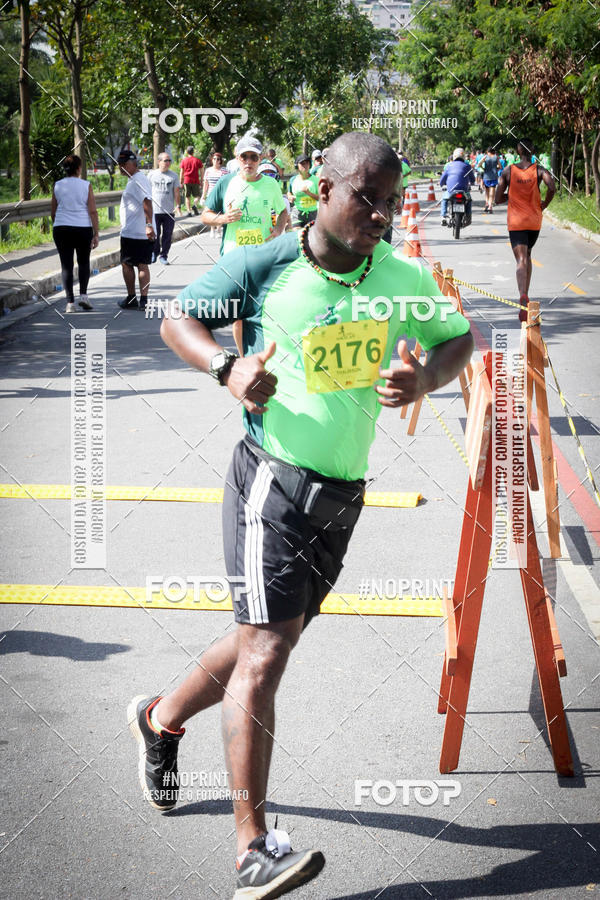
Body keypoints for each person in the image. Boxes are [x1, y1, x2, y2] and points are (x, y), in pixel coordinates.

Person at [127, 131, 473, 900]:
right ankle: (254, 849)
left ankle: (160, 717)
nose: (381, 215)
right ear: (326, 189)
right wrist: (226, 365)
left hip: (342, 497)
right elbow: (179, 319)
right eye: (366, 199)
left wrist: (424, 382)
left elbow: (460, 341)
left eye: (390, 201)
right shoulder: (268, 264)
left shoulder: (400, 276)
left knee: (264, 636)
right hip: (271, 483)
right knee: (266, 651)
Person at [495, 138, 556, 321]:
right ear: (533, 150)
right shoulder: (539, 170)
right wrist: (544, 203)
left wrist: (510, 196)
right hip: (534, 221)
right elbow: (552, 186)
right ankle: (526, 294)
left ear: (518, 151)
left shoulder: (508, 171)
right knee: (528, 254)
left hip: (517, 222)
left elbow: (498, 197)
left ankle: (522, 294)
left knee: (521, 259)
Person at [200, 135, 287, 256]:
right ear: (237, 158)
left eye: (253, 157)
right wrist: (223, 219)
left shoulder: (271, 184)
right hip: (233, 255)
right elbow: (205, 216)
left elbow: (283, 211)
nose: (248, 162)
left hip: (263, 255)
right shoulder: (225, 182)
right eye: (244, 157)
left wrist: (278, 229)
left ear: (260, 159)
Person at [50, 154, 99, 313]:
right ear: (79, 168)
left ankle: (70, 303)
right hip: (82, 228)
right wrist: (96, 233)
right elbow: (92, 211)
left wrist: (59, 225)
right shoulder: (86, 185)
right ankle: (84, 297)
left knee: (66, 266)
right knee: (83, 262)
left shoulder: (57, 185)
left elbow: (53, 212)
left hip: (61, 228)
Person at [116, 150, 156, 311]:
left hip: (135, 231)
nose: (119, 169)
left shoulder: (138, 180)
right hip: (134, 230)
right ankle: (139, 299)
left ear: (129, 164)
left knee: (130, 264)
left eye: (121, 166)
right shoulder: (136, 179)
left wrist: (149, 225)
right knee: (139, 264)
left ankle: (137, 298)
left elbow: (147, 202)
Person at [147, 152, 180, 265]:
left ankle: (164, 255)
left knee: (167, 235)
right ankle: (154, 253)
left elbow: (176, 192)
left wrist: (178, 205)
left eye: (169, 160)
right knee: (154, 234)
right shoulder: (151, 175)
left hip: (169, 211)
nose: (168, 163)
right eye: (165, 160)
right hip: (154, 210)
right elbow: (146, 191)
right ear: (159, 161)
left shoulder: (174, 176)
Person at [439, 147, 475, 226]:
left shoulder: (449, 166)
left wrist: (441, 184)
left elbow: (442, 179)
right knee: (469, 200)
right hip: (464, 190)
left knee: (444, 199)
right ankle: (468, 216)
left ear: (454, 156)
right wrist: (472, 183)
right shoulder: (467, 166)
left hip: (451, 190)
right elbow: (472, 179)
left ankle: (443, 216)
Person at [287, 154, 319, 228]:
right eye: (302, 163)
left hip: (312, 213)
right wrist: (290, 196)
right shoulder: (293, 180)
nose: (305, 166)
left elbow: (321, 198)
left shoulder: (316, 180)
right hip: (297, 212)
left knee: (310, 238)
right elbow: (289, 192)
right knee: (297, 235)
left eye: (307, 163)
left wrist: (309, 193)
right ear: (296, 166)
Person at [179, 145, 203, 216]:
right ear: (193, 152)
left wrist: (181, 181)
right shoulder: (197, 160)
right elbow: (202, 171)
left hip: (186, 180)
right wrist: (202, 180)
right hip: (195, 180)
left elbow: (181, 172)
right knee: (198, 195)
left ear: (187, 152)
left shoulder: (184, 160)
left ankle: (189, 212)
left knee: (187, 196)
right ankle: (195, 204)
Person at [482, 147, 500, 213]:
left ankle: (487, 203)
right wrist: (496, 169)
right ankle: (490, 206)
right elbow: (500, 167)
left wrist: (483, 168)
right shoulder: (496, 157)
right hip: (494, 176)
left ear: (487, 151)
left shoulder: (485, 157)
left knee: (487, 191)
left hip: (486, 176)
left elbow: (479, 164)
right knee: (492, 193)